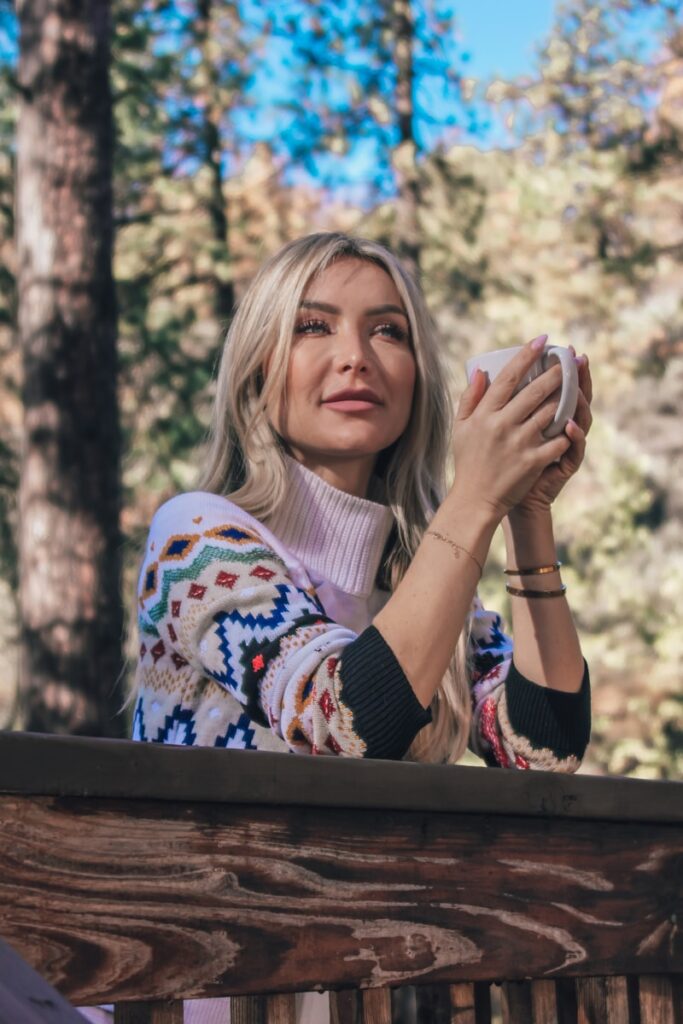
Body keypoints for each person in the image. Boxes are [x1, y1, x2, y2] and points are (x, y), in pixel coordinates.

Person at [131, 231, 592, 773]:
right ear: (258, 370)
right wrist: (475, 497)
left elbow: (541, 751)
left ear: (416, 379)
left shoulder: (418, 573)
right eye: (312, 327)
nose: (355, 357)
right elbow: (341, 725)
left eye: (387, 332)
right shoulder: (195, 540)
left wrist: (526, 509)